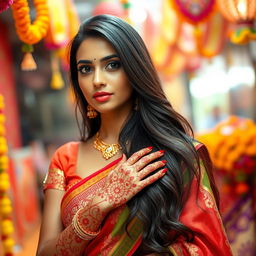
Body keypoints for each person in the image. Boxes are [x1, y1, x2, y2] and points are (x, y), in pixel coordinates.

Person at [36, 14, 233, 256]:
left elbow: (209, 247)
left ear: (134, 69)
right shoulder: (65, 158)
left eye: (112, 65)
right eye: (85, 69)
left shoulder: (176, 154)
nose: (97, 80)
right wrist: (100, 204)